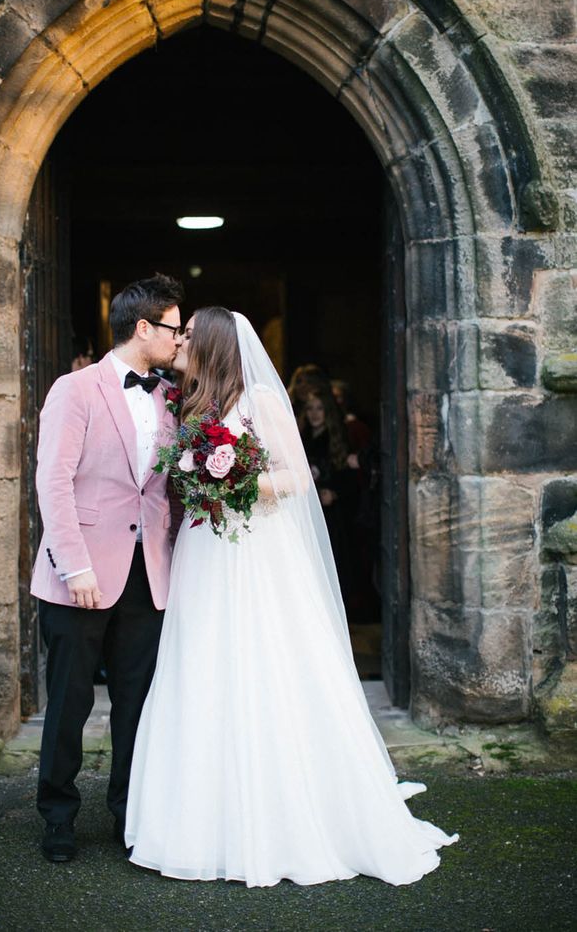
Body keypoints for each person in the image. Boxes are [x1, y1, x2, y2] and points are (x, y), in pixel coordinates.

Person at [126, 307, 457, 887]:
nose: (179, 342)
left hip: (253, 552)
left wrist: (235, 483)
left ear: (214, 345)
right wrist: (202, 477)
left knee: (265, 664)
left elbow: (297, 476)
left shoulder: (260, 400)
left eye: (189, 335)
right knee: (203, 667)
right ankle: (201, 821)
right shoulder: (190, 403)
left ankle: (282, 816)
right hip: (205, 553)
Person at [30, 273, 184, 862]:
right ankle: (58, 816)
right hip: (82, 575)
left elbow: (166, 490)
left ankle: (129, 813)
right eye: (173, 327)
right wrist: (75, 568)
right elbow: (54, 483)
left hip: (150, 574)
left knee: (137, 702)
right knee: (70, 701)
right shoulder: (75, 389)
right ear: (142, 327)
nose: (179, 338)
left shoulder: (171, 395)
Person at [298, 386, 359, 601]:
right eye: (310, 408)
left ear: (328, 412)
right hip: (304, 508)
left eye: (319, 409)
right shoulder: (299, 438)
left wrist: (335, 493)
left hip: (331, 512)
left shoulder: (336, 439)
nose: (314, 413)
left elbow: (348, 478)